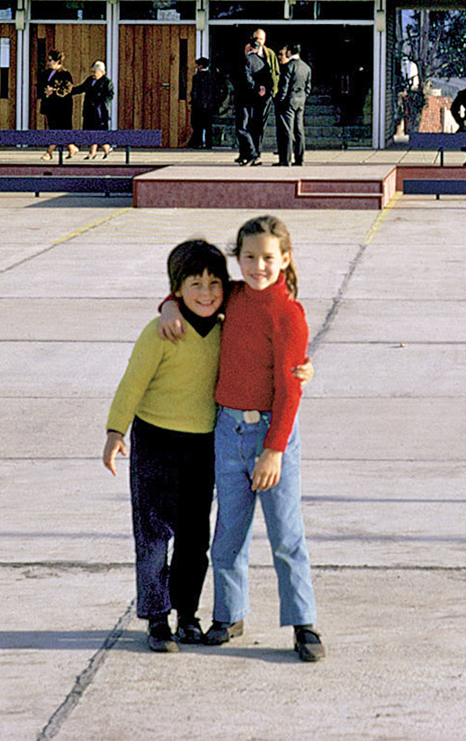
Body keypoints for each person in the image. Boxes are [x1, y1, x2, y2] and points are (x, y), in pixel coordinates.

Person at [158, 215, 324, 662]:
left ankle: (304, 623)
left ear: (284, 259)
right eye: (249, 257)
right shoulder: (232, 296)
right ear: (238, 258)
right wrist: (168, 306)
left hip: (272, 436)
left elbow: (289, 389)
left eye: (268, 257)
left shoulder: (288, 315)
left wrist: (273, 451)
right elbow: (194, 295)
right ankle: (229, 615)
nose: (258, 266)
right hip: (227, 433)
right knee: (228, 534)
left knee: (286, 535)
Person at [103, 239, 230, 653]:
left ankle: (187, 615)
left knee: (195, 538)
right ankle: (157, 618)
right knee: (153, 535)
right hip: (155, 441)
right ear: (177, 289)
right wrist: (115, 431)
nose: (206, 293)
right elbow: (132, 383)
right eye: (195, 284)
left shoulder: (226, 329)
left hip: (203, 444)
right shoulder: (160, 332)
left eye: (214, 283)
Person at [231, 34, 271, 166]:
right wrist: (261, 89)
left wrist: (254, 87)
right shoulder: (262, 62)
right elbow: (267, 78)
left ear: (249, 47)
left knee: (242, 127)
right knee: (253, 127)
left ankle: (252, 154)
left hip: (244, 97)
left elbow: (246, 78)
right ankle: (251, 154)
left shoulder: (246, 60)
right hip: (256, 99)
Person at [274, 44, 311, 167]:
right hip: (300, 99)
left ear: (289, 52)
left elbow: (284, 86)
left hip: (289, 100)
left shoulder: (289, 66)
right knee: (299, 129)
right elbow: (308, 87)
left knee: (287, 130)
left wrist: (280, 99)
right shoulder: (306, 67)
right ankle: (299, 158)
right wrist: (303, 96)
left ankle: (286, 158)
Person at [70, 60, 115, 159]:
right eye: (92, 72)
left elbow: (109, 96)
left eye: (95, 72)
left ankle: (100, 149)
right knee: (90, 132)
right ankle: (98, 150)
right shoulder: (90, 80)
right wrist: (69, 91)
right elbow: (81, 88)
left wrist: (100, 100)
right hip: (89, 110)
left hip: (99, 112)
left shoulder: (106, 82)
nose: (93, 74)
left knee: (99, 132)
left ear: (101, 72)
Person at [37, 48, 74, 161]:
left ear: (57, 61)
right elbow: (40, 85)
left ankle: (49, 152)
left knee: (58, 129)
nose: (48, 63)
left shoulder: (65, 74)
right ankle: (71, 147)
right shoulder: (46, 73)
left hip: (61, 107)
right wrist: (44, 91)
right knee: (55, 128)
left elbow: (67, 89)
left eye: (50, 60)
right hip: (50, 106)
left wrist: (54, 91)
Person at [186, 57, 219, 150]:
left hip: (198, 105)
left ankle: (198, 142)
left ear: (200, 66)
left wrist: (193, 100)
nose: (196, 66)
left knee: (197, 125)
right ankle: (209, 143)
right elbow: (215, 91)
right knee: (208, 125)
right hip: (209, 105)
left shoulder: (196, 77)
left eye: (197, 65)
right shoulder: (212, 77)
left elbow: (195, 91)